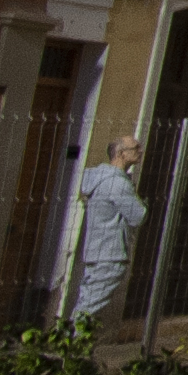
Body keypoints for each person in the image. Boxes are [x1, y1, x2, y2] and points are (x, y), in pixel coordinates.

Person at [73, 135, 148, 324]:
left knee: (87, 302)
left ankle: (70, 343)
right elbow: (138, 216)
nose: (140, 151)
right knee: (90, 307)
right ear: (121, 154)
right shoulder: (117, 183)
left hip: (96, 249)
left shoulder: (100, 179)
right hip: (111, 252)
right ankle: (71, 345)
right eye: (135, 148)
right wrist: (144, 204)